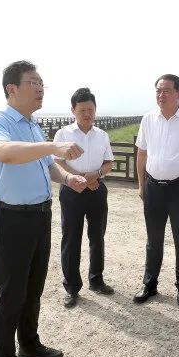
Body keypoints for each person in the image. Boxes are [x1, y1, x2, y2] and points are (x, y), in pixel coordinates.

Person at [0, 60, 88, 357]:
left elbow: (45, 164)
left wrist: (67, 177)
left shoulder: (32, 125)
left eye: (42, 82)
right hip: (10, 219)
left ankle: (28, 343)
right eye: (33, 82)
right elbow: (4, 153)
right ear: (12, 88)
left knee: (33, 288)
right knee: (10, 295)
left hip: (40, 216)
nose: (40, 88)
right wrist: (53, 146)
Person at [133, 74, 179, 307]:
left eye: (166, 90)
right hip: (153, 186)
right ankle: (150, 283)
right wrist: (141, 184)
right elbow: (141, 153)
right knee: (153, 239)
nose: (161, 95)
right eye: (158, 90)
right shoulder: (148, 118)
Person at [53, 88, 115, 307]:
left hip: (96, 189)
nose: (87, 114)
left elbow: (108, 163)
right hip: (71, 190)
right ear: (73, 110)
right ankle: (71, 287)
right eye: (82, 110)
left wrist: (95, 175)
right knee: (71, 238)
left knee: (97, 236)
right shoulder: (63, 134)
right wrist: (79, 178)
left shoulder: (102, 135)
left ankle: (96, 280)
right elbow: (57, 162)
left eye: (91, 109)